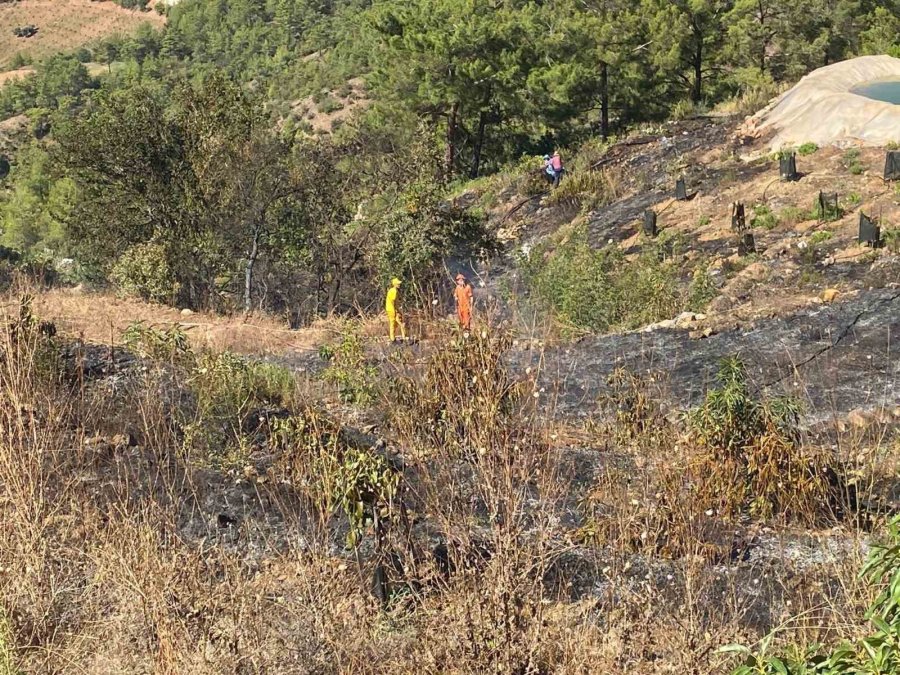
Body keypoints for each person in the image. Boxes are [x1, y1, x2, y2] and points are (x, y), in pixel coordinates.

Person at [385, 277, 406, 342]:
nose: (399, 285)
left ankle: (402, 338)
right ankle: (393, 339)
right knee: (393, 324)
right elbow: (393, 302)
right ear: (394, 284)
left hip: (392, 309)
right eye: (398, 283)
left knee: (398, 323)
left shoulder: (393, 290)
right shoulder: (394, 291)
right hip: (391, 310)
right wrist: (397, 311)